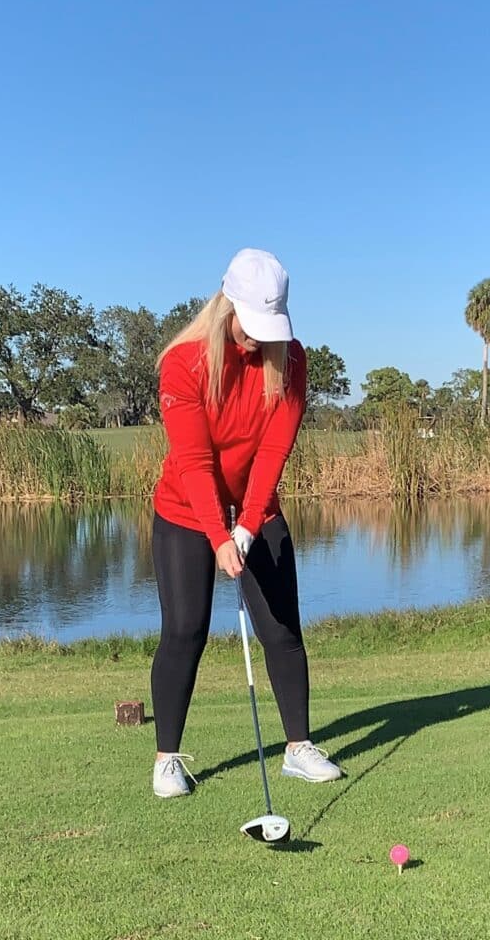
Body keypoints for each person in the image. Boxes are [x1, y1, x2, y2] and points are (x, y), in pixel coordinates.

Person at [150, 247, 343, 798]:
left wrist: (249, 525)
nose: (260, 339)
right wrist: (218, 535)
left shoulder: (292, 360)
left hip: (257, 509)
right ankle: (167, 759)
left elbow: (273, 451)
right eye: (252, 326)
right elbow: (194, 462)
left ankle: (298, 748)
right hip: (186, 512)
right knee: (185, 630)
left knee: (282, 629)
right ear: (227, 304)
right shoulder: (184, 362)